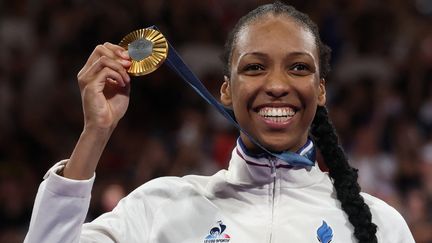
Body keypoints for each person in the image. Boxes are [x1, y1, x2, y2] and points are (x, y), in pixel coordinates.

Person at [24, 2, 414, 243]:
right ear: (225, 89)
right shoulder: (160, 208)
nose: (277, 85)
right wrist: (96, 132)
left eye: (298, 67)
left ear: (321, 89)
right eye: (255, 67)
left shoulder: (381, 225)